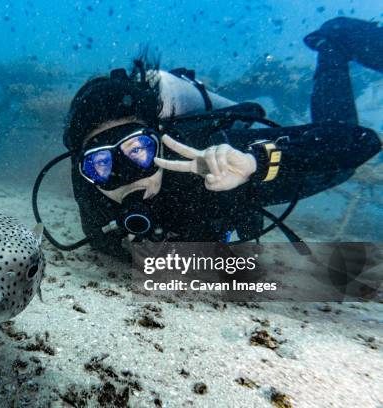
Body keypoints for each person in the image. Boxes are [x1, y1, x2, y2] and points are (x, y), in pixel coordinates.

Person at [32, 17, 382, 260]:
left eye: (139, 150)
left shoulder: (211, 162)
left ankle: (333, 45)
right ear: (85, 170)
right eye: (102, 163)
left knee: (341, 167)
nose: (128, 175)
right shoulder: (93, 196)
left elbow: (359, 141)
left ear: (160, 139)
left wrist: (256, 164)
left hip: (271, 170)